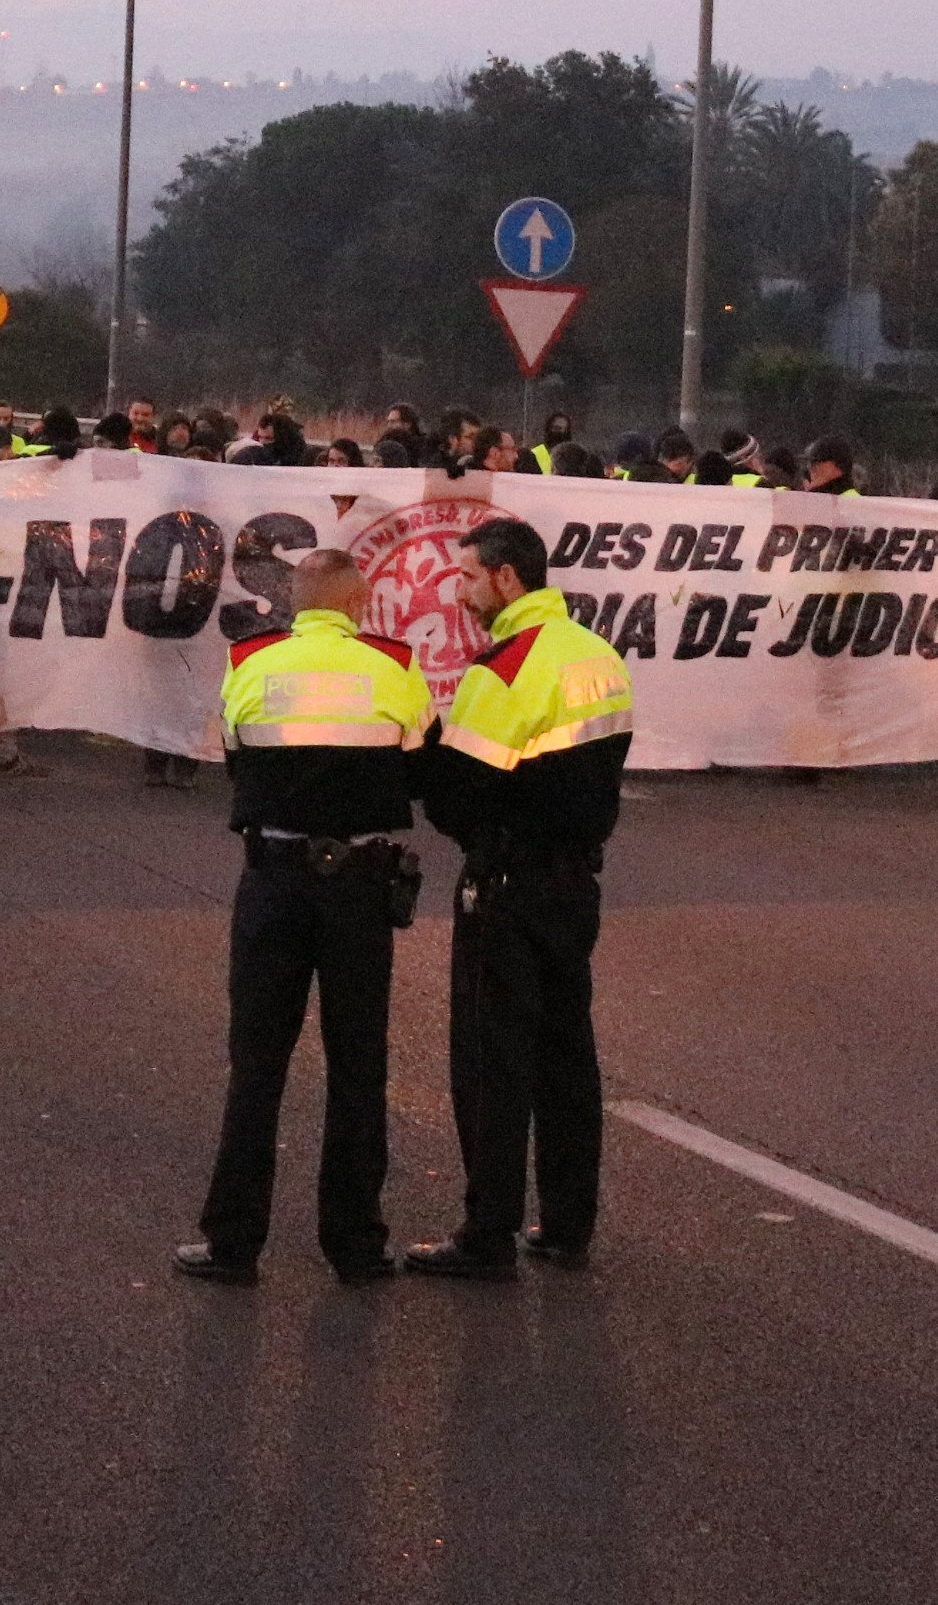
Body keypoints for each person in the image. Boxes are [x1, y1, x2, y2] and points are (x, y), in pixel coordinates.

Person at [176, 550, 431, 1286]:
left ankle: (232, 1243)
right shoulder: (394, 665)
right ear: (360, 602)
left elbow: (235, 756)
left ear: (293, 600)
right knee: (359, 1065)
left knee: (256, 1065)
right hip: (358, 885)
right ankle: (355, 1243)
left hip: (275, 880)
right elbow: (416, 761)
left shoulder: (250, 661)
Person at [404, 518, 635, 1278]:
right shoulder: (597, 653)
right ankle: (568, 1224)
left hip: (505, 888)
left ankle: (487, 1235)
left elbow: (459, 794)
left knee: (491, 1062)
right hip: (575, 885)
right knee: (568, 1055)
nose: (461, 592)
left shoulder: (502, 669)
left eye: (469, 577)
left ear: (507, 579)